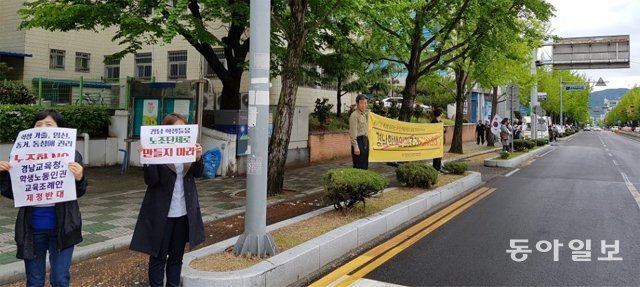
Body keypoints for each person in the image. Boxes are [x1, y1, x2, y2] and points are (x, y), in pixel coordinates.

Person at [0, 110, 87, 287]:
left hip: (63, 228)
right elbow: (12, 193)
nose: (42, 129)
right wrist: (2, 174)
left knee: (60, 280)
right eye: (38, 125)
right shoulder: (20, 156)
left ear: (60, 130)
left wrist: (79, 178)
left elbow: (78, 192)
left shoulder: (72, 155)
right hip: (31, 230)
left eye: (49, 125)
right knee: (34, 281)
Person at [130, 113, 205, 287]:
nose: (179, 133)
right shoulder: (158, 151)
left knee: (176, 257)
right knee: (158, 256)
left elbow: (198, 174)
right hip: (161, 213)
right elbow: (152, 181)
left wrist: (198, 158)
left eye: (183, 129)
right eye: (175, 129)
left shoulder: (189, 149)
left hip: (183, 213)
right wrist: (147, 159)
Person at [349, 95, 369, 170]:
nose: (364, 105)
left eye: (365, 103)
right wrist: (355, 146)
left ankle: (364, 181)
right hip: (358, 141)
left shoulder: (365, 114)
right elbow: (352, 132)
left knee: (365, 164)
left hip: (365, 140)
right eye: (362, 103)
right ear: (357, 104)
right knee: (359, 165)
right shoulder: (354, 116)